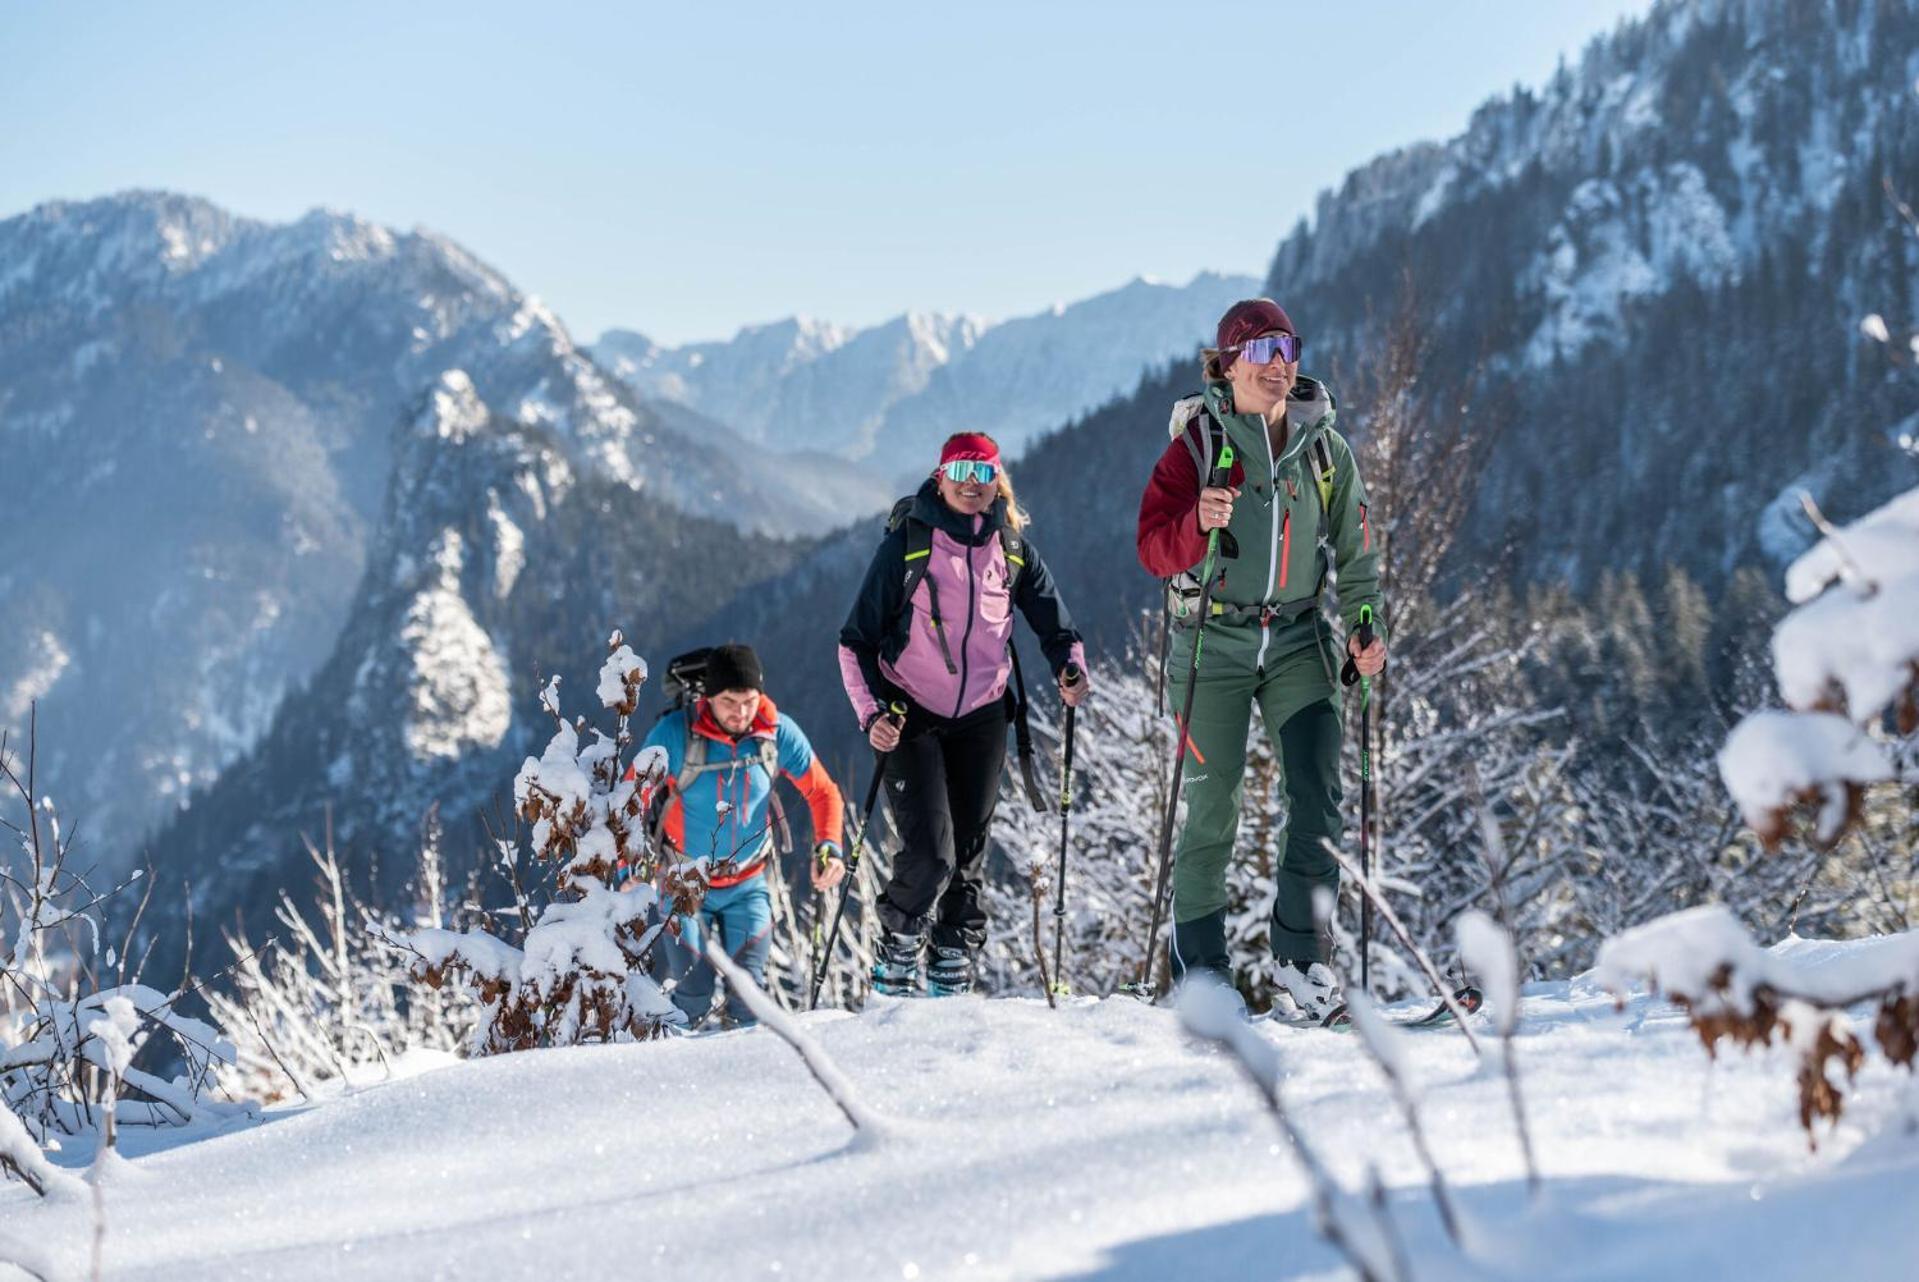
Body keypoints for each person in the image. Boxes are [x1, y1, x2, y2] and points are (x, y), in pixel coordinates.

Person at [1136, 298, 1387, 1022]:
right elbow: (1152, 545)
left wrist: (1364, 625)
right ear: (1228, 363)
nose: (1279, 365)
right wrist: (1195, 524)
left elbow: (1357, 552)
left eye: (1289, 349)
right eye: (1263, 351)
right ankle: (1203, 977)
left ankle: (1300, 965)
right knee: (1210, 808)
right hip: (1211, 640)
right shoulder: (1195, 444)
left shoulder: (1324, 449)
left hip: (1298, 639)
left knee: (1316, 795)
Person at [838, 433, 1087, 997]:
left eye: (984, 474)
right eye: (961, 471)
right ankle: (897, 952)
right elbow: (854, 642)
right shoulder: (910, 544)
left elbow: (1057, 625)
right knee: (931, 855)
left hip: (983, 717)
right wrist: (871, 712)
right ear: (940, 475)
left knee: (969, 854)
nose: (972, 484)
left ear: (998, 481)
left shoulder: (1013, 548)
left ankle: (951, 967)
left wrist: (1070, 667)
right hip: (910, 714)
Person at [640, 643, 846, 1028]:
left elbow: (823, 792)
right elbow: (631, 798)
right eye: (729, 701)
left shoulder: (777, 734)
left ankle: (741, 1085)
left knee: (749, 1000)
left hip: (749, 884)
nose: (741, 712)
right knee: (691, 996)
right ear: (708, 698)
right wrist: (626, 872)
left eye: (750, 700)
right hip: (684, 882)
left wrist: (829, 846)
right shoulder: (674, 734)